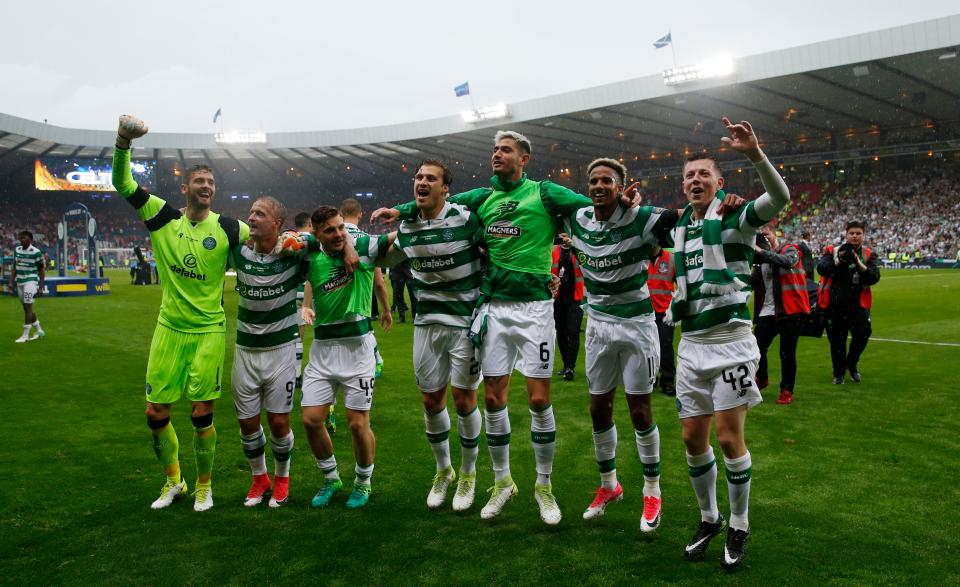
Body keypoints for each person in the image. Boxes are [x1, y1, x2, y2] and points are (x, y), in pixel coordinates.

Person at [374, 131, 620, 525]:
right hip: (492, 309)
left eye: (505, 150)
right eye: (494, 150)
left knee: (539, 400)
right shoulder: (480, 198)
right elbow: (441, 203)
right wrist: (402, 209)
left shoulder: (545, 193)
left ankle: (544, 485)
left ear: (525, 157)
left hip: (536, 309)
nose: (497, 155)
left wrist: (624, 201)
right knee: (492, 399)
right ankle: (502, 481)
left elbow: (593, 205)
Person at [668, 118, 791, 570]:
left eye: (704, 174)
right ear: (683, 187)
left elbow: (780, 199)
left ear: (720, 183)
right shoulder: (680, 227)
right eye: (689, 176)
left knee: (727, 436)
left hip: (732, 345)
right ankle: (709, 517)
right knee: (691, 438)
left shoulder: (736, 217)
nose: (695, 180)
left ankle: (739, 523)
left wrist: (755, 154)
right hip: (691, 345)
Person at [112, 114, 249, 512]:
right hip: (169, 329)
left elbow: (268, 238)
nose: (206, 187)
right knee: (155, 413)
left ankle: (205, 486)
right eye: (199, 182)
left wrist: (303, 241)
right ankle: (174, 481)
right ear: (184, 187)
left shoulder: (228, 227)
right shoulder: (162, 217)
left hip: (208, 330)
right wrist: (123, 140)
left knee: (201, 412)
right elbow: (123, 184)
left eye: (211, 183)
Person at [560, 158, 678, 530]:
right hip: (597, 326)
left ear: (620, 186)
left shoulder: (641, 219)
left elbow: (681, 218)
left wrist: (641, 204)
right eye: (593, 180)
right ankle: (609, 486)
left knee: (640, 411)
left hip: (637, 327)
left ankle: (652, 490)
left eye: (607, 181)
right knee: (598, 409)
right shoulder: (576, 218)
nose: (598, 186)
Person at [381, 160, 484, 510]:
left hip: (464, 325)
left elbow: (495, 250)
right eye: (418, 177)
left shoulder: (466, 219)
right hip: (426, 324)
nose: (422, 182)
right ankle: (444, 471)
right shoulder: (407, 227)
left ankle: (469, 474)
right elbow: (382, 255)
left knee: (464, 400)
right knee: (430, 400)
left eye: (431, 178)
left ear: (445, 188)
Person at [299, 205, 392, 510]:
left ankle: (363, 482)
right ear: (316, 234)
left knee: (356, 424)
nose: (338, 234)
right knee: (312, 420)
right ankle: (331, 478)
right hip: (324, 350)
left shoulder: (363, 247)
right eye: (329, 230)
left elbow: (394, 239)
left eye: (341, 227)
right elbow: (287, 239)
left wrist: (352, 244)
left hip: (358, 349)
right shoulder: (311, 254)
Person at [229, 196, 305, 508]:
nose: (252, 217)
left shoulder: (294, 256)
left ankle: (282, 479)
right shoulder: (237, 252)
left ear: (277, 223)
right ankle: (259, 478)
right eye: (251, 213)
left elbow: (327, 239)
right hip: (245, 351)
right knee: (247, 423)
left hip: (281, 351)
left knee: (278, 422)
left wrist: (298, 238)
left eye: (260, 213)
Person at [750, 225, 811, 405]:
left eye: (766, 234)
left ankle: (786, 389)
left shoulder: (789, 248)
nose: (763, 238)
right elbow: (751, 283)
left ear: (774, 234)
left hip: (790, 310)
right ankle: (762, 378)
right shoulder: (759, 260)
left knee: (787, 353)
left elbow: (788, 261)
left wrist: (761, 252)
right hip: (768, 311)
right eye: (759, 236)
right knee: (756, 349)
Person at [816, 221, 880, 384]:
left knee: (863, 334)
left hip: (858, 305)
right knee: (837, 340)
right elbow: (822, 268)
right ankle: (838, 373)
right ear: (846, 234)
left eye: (858, 233)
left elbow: (874, 277)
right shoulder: (833, 250)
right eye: (852, 233)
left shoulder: (868, 254)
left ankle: (851, 364)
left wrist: (859, 264)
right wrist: (839, 260)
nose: (855, 236)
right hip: (835, 304)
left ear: (863, 235)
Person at [340, 199, 388, 379]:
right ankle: (375, 360)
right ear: (360, 214)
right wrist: (386, 309)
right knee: (363, 333)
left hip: (333, 302)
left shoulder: (330, 239)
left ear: (341, 213)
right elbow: (379, 283)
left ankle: (374, 359)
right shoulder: (368, 240)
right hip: (361, 303)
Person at [551, 237, 583, 381]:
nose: (564, 239)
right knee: (561, 332)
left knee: (573, 332)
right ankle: (565, 364)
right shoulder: (553, 252)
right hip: (558, 298)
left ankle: (570, 366)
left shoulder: (578, 250)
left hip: (575, 298)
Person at [647, 247, 676, 395]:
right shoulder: (641, 257)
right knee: (646, 347)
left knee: (665, 345)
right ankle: (650, 378)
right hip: (645, 311)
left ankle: (668, 380)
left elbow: (682, 283)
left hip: (664, 311)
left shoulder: (671, 258)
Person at [10, 230, 45, 343]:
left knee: (28, 307)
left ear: (31, 239)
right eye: (20, 237)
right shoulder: (17, 250)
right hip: (20, 281)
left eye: (24, 238)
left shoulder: (36, 252)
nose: (21, 239)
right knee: (26, 308)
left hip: (31, 281)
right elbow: (15, 266)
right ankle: (39, 331)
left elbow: (41, 269)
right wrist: (11, 281)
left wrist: (41, 286)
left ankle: (25, 336)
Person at [293, 212, 312, 391]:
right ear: (309, 223)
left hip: (291, 293)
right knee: (300, 337)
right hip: (307, 291)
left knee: (293, 338)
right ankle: (299, 374)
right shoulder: (310, 239)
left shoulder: (290, 239)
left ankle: (294, 374)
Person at [389, 259, 416, 323]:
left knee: (413, 295)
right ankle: (401, 317)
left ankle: (415, 316)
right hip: (397, 271)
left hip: (409, 271)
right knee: (398, 296)